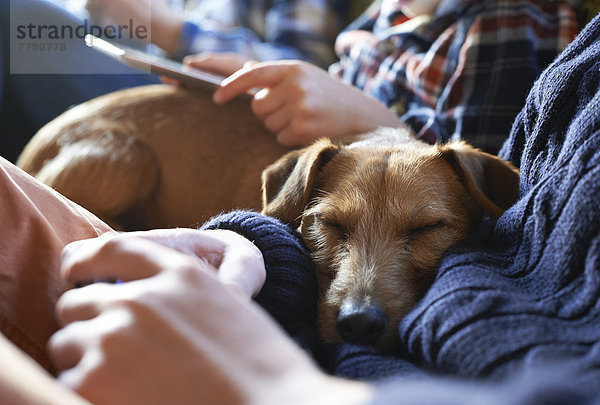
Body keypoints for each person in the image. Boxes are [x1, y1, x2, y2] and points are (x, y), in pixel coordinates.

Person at [1, 8, 600, 403]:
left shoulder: (508, 25)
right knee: (21, 21)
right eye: (331, 228)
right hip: (138, 152)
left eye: (423, 232)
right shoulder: (377, 24)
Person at [184, 0, 578, 153]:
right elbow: (337, 87)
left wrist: (371, 122)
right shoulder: (390, 12)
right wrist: (273, 83)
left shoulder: (505, 19)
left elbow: (483, 184)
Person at [0, 0, 350, 162]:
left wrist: (174, 30)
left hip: (211, 109)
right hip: (153, 71)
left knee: (16, 16)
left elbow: (308, 75)